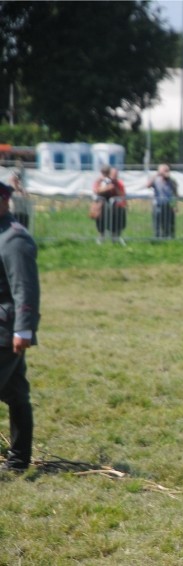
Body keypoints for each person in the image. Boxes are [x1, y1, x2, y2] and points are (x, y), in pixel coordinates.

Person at [0, 181, 40, 472]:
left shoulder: (14, 238)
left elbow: (25, 288)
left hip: (6, 330)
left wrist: (24, 330)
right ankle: (18, 462)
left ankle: (17, 461)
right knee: (16, 392)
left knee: (16, 392)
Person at [147, 164, 178, 239]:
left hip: (168, 205)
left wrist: (175, 205)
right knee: (157, 224)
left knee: (168, 224)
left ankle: (168, 238)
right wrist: (157, 174)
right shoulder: (156, 180)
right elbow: (148, 185)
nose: (166, 172)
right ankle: (157, 238)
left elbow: (175, 193)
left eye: (168, 171)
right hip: (158, 205)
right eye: (165, 170)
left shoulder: (171, 181)